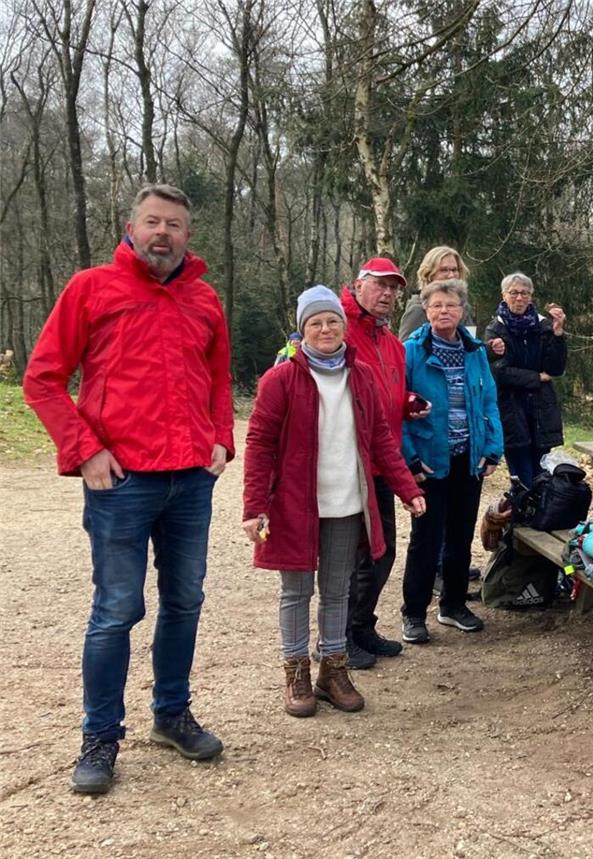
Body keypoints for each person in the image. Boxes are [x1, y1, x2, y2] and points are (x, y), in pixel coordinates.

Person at [23, 184, 233, 795]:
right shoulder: (92, 287)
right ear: (132, 227)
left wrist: (220, 437)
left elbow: (218, 376)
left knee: (185, 600)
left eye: (174, 224)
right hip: (121, 481)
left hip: (192, 478)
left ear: (188, 235)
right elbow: (43, 378)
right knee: (117, 610)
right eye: (152, 222)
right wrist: (84, 450)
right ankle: (99, 736)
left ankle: (171, 715)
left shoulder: (203, 298)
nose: (162, 232)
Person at [243, 286, 426, 717]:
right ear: (303, 330)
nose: (325, 329)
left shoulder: (359, 375)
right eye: (315, 323)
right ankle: (296, 673)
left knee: (337, 590)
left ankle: (333, 668)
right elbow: (259, 444)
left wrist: (408, 489)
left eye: (331, 322)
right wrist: (255, 506)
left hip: (346, 503)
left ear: (342, 328)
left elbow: (381, 438)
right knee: (296, 591)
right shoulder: (281, 379)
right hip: (294, 506)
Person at [338, 257, 430, 669]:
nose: (388, 294)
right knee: (355, 555)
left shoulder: (391, 342)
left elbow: (391, 393)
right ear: (359, 285)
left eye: (394, 288)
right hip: (347, 462)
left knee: (382, 552)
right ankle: (339, 637)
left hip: (383, 462)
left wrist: (408, 404)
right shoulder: (337, 328)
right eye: (380, 285)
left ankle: (361, 626)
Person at [400, 278, 503, 644]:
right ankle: (413, 613)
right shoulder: (411, 351)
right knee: (425, 539)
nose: (444, 311)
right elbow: (396, 409)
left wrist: (493, 448)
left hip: (468, 459)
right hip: (429, 460)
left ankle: (454, 605)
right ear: (426, 310)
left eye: (451, 305)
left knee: (460, 536)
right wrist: (409, 458)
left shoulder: (474, 351)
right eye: (437, 305)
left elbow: (489, 400)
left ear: (462, 311)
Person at [483, 272, 567, 487]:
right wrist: (536, 377)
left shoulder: (544, 326)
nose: (519, 298)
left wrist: (558, 336)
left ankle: (542, 518)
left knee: (542, 475)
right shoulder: (496, 329)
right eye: (514, 293)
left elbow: (555, 368)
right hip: (511, 409)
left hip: (541, 410)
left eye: (524, 293)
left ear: (531, 296)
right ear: (504, 295)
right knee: (521, 477)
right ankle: (520, 517)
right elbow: (499, 373)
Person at [398, 246, 477, 341]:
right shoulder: (418, 310)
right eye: (444, 270)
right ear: (428, 275)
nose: (451, 275)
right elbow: (403, 352)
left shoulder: (463, 307)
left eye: (454, 270)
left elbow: (470, 345)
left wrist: (491, 350)